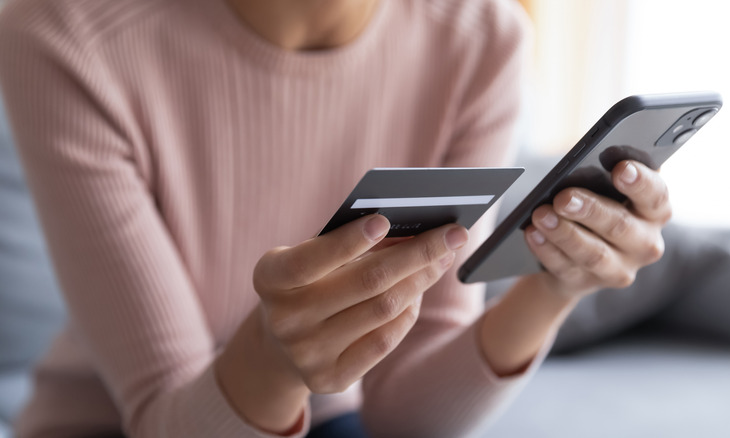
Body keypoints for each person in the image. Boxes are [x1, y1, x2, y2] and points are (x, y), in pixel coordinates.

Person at [0, 0, 671, 437]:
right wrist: (271, 355)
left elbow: (405, 414)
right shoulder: (64, 35)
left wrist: (553, 288)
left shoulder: (481, 37)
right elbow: (164, 416)